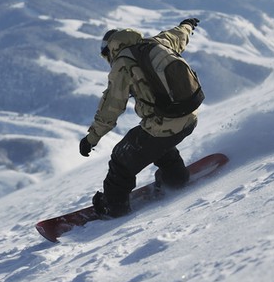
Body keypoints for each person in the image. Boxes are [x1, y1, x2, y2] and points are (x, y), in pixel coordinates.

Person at [79, 18, 202, 218]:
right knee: (155, 141)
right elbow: (179, 35)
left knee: (121, 158)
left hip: (164, 124)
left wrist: (90, 139)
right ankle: (176, 179)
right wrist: (187, 25)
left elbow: (111, 107)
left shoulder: (122, 64)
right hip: (189, 117)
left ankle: (113, 207)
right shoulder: (157, 42)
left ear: (110, 49)